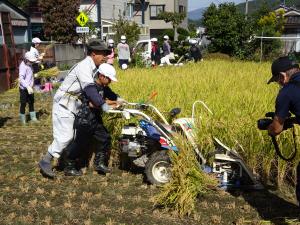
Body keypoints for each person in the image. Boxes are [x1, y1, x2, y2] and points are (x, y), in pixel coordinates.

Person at [38, 39, 111, 178]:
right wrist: (102, 104)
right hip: (64, 103)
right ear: (94, 53)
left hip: (73, 105)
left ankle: (67, 165)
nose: (105, 56)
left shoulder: (93, 68)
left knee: (73, 136)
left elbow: (98, 87)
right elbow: (90, 89)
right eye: (103, 53)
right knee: (66, 136)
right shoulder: (84, 66)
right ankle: (45, 161)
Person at [63, 63, 122, 176]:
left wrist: (119, 100)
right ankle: (69, 166)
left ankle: (99, 163)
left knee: (105, 138)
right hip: (85, 120)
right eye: (109, 79)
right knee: (80, 144)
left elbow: (112, 96)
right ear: (101, 76)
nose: (110, 81)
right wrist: (112, 105)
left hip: (95, 119)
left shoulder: (104, 88)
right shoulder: (91, 87)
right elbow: (92, 103)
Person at [266, 56, 300, 205]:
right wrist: (290, 121)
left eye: (277, 80)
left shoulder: (287, 92)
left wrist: (270, 127)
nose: (279, 84)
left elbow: (276, 129)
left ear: (282, 75)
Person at [18, 51, 39, 125]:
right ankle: (22, 119)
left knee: (31, 102)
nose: (32, 62)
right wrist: (27, 86)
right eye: (31, 61)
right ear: (26, 59)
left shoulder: (30, 65)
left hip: (30, 87)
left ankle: (33, 118)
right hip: (24, 88)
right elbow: (21, 78)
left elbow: (30, 75)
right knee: (23, 103)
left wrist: (34, 77)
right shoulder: (23, 66)